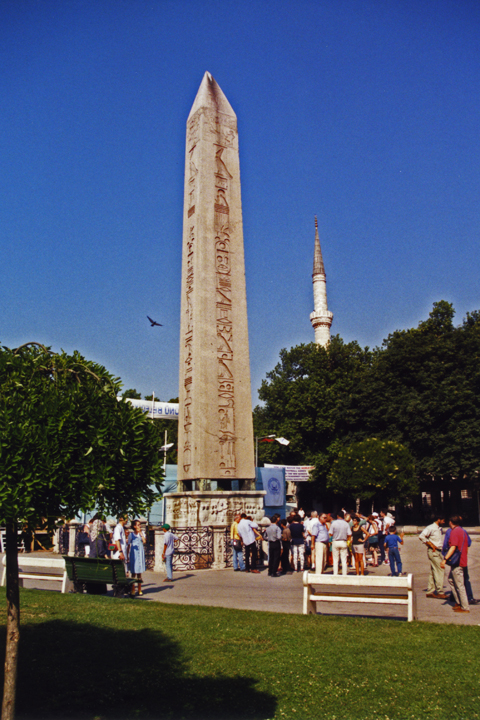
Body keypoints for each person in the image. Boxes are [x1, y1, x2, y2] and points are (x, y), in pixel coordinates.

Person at [440, 515, 470, 613]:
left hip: (457, 562)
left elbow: (453, 547)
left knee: (459, 585)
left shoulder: (454, 531)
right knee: (451, 580)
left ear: (451, 522)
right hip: (461, 560)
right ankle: (459, 602)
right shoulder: (462, 530)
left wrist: (445, 559)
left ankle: (465, 607)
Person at [419, 515, 447, 599]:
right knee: (440, 570)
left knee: (433, 570)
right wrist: (430, 544)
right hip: (433, 551)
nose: (444, 522)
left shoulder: (439, 528)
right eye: (443, 520)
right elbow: (421, 536)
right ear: (439, 519)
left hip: (438, 551)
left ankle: (430, 590)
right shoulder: (431, 527)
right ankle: (440, 591)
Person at [127, 519, 146, 596]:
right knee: (133, 572)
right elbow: (128, 544)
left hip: (140, 553)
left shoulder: (142, 533)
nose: (139, 526)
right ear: (134, 526)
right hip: (133, 554)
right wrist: (128, 555)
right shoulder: (131, 535)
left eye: (139, 525)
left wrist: (141, 533)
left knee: (139, 573)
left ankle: (139, 589)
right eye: (138, 525)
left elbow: (144, 541)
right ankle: (132, 589)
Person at [329, 510, 352, 576]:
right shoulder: (346, 524)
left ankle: (335, 573)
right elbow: (349, 534)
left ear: (337, 516)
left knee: (335, 559)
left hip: (335, 541)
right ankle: (344, 574)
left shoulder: (334, 523)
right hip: (343, 541)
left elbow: (330, 533)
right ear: (343, 516)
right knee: (344, 559)